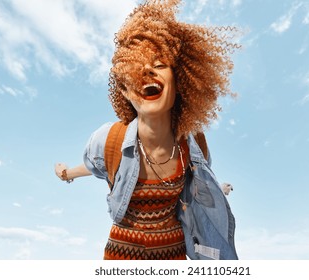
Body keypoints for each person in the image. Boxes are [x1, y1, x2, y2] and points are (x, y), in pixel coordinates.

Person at [55, 0, 240, 260]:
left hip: (172, 254)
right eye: (136, 68)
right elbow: (94, 166)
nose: (148, 70)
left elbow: (199, 186)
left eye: (160, 64)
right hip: (122, 256)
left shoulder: (193, 144)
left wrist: (220, 188)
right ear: (125, 90)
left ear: (180, 82)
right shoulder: (109, 140)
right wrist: (66, 173)